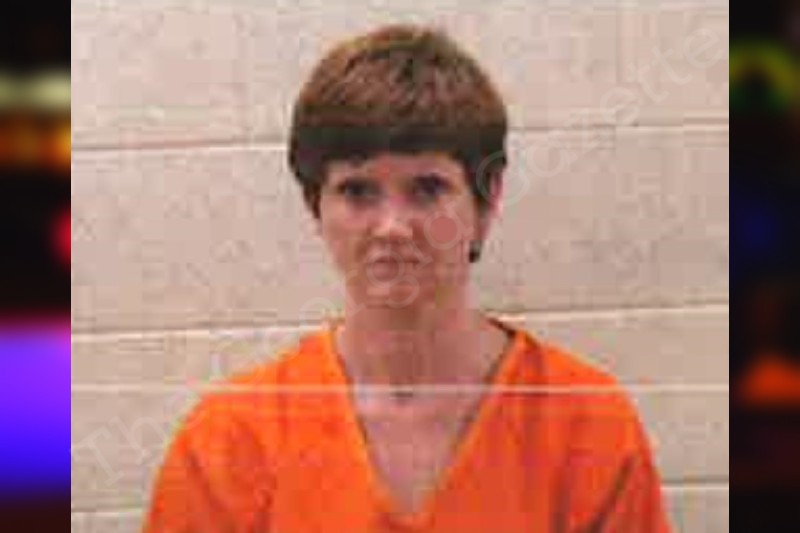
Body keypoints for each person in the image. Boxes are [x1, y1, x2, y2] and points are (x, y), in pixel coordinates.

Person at [142, 24, 673, 532]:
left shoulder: (587, 424)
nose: (392, 227)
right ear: (314, 205)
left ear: (487, 199)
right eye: (357, 191)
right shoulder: (230, 440)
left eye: (427, 189)